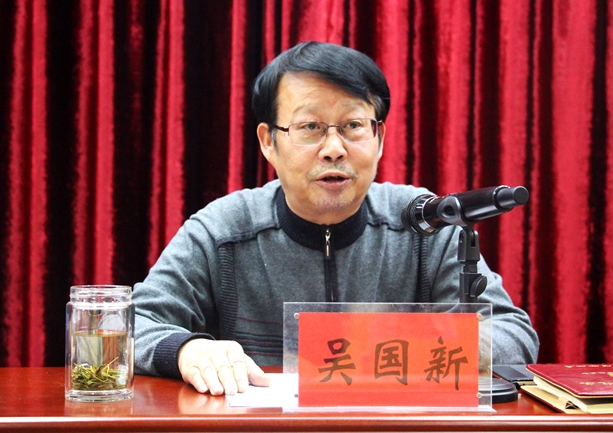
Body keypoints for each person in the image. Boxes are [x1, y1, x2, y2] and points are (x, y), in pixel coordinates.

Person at [133, 41, 539, 396]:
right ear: (268, 142)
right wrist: (186, 349)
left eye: (353, 126)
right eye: (310, 127)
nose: (333, 149)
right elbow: (135, 324)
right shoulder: (222, 229)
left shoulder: (426, 224)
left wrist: (405, 348)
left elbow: (512, 333)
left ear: (379, 138)